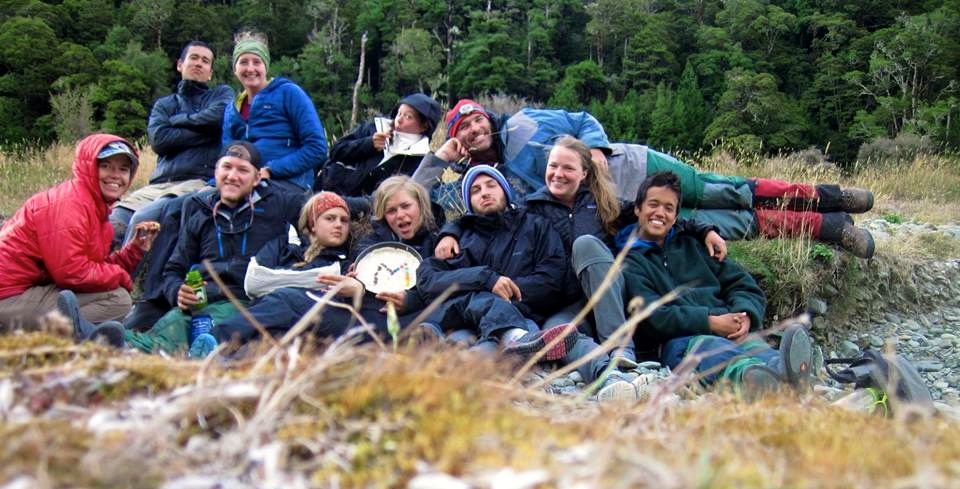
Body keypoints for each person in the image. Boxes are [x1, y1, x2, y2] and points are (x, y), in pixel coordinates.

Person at [415, 99, 876, 258]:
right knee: (726, 222)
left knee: (726, 190)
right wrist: (437, 159)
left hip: (633, 166)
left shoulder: (524, 123)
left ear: (486, 118)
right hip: (621, 207)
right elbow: (420, 196)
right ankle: (829, 227)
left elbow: (582, 119)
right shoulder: (485, 182)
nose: (473, 131)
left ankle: (828, 197)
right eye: (462, 130)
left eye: (475, 120)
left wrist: (597, 147)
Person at [417, 165, 642, 400]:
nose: (484, 192)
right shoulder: (460, 240)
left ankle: (611, 377)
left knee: (563, 337)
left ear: (505, 190)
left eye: (491, 185)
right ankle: (441, 391)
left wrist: (508, 296)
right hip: (473, 321)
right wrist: (487, 280)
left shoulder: (535, 226)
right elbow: (428, 278)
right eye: (475, 190)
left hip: (529, 315)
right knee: (461, 344)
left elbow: (552, 277)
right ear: (468, 202)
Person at [620, 171, 817, 395]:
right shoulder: (630, 260)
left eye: (668, 208)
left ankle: (785, 372)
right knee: (716, 352)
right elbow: (653, 316)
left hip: (728, 330)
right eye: (653, 204)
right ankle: (753, 379)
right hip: (681, 341)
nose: (660, 213)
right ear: (638, 209)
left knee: (757, 348)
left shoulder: (695, 244)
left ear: (675, 216)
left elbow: (743, 284)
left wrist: (745, 315)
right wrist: (710, 322)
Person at [121, 141, 306, 354]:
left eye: (242, 170)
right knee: (161, 330)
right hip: (198, 306)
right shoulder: (200, 210)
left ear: (257, 178)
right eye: (227, 167)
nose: (232, 176)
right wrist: (177, 292)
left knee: (184, 341)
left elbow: (322, 212)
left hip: (247, 306)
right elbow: (174, 269)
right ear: (216, 171)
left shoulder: (280, 204)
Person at [0, 134, 159, 333]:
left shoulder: (93, 207)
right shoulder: (70, 205)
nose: (115, 175)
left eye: (123, 169)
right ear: (89, 167)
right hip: (9, 295)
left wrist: (134, 251)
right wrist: (121, 276)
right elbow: (71, 273)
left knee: (115, 296)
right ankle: (62, 336)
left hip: (24, 290)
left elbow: (93, 269)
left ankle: (75, 332)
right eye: (106, 166)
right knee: (117, 300)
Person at [188, 192, 373, 357]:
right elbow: (254, 282)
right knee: (270, 335)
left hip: (316, 322)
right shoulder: (282, 246)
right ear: (312, 223)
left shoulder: (346, 263)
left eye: (344, 220)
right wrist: (312, 282)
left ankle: (216, 341)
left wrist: (283, 285)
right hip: (271, 318)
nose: (339, 225)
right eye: (330, 218)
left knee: (285, 298)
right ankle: (214, 361)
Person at [109, 40, 234, 248]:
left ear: (210, 73)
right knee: (113, 222)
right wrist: (206, 132)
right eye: (194, 58)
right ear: (180, 65)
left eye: (205, 61)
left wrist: (179, 120)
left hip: (197, 182)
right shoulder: (164, 105)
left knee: (144, 218)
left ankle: (124, 268)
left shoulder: (221, 94)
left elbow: (218, 118)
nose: (199, 63)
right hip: (158, 184)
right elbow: (160, 141)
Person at [222, 31, 328, 195]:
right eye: (243, 62)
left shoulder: (288, 93)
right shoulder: (232, 110)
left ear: (266, 66)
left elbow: (317, 148)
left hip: (289, 184)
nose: (250, 68)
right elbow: (226, 155)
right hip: (243, 184)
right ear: (235, 69)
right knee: (190, 202)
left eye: (257, 62)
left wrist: (272, 170)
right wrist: (214, 183)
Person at [323, 93, 442, 196]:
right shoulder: (374, 128)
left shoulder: (421, 159)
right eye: (399, 113)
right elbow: (335, 151)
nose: (399, 119)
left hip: (366, 208)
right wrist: (368, 144)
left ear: (424, 126)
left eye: (408, 117)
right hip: (329, 190)